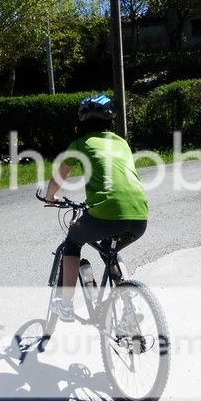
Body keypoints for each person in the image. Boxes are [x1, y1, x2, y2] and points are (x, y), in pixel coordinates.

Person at [43, 94, 149, 322]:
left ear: (82, 122)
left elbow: (60, 176)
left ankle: (66, 304)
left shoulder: (80, 144)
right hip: (139, 216)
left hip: (105, 214)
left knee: (72, 241)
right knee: (110, 250)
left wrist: (50, 197)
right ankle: (129, 305)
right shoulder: (121, 143)